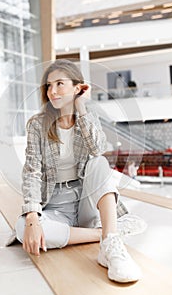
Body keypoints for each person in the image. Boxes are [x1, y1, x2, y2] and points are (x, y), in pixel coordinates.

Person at [15, 59, 145, 283]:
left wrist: (81, 107)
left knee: (99, 162)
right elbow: (32, 172)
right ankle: (106, 235)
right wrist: (32, 221)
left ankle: (111, 248)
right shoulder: (37, 124)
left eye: (59, 84)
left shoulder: (88, 119)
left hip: (85, 199)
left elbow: (98, 149)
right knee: (21, 230)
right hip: (55, 203)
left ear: (77, 88)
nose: (52, 91)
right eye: (48, 85)